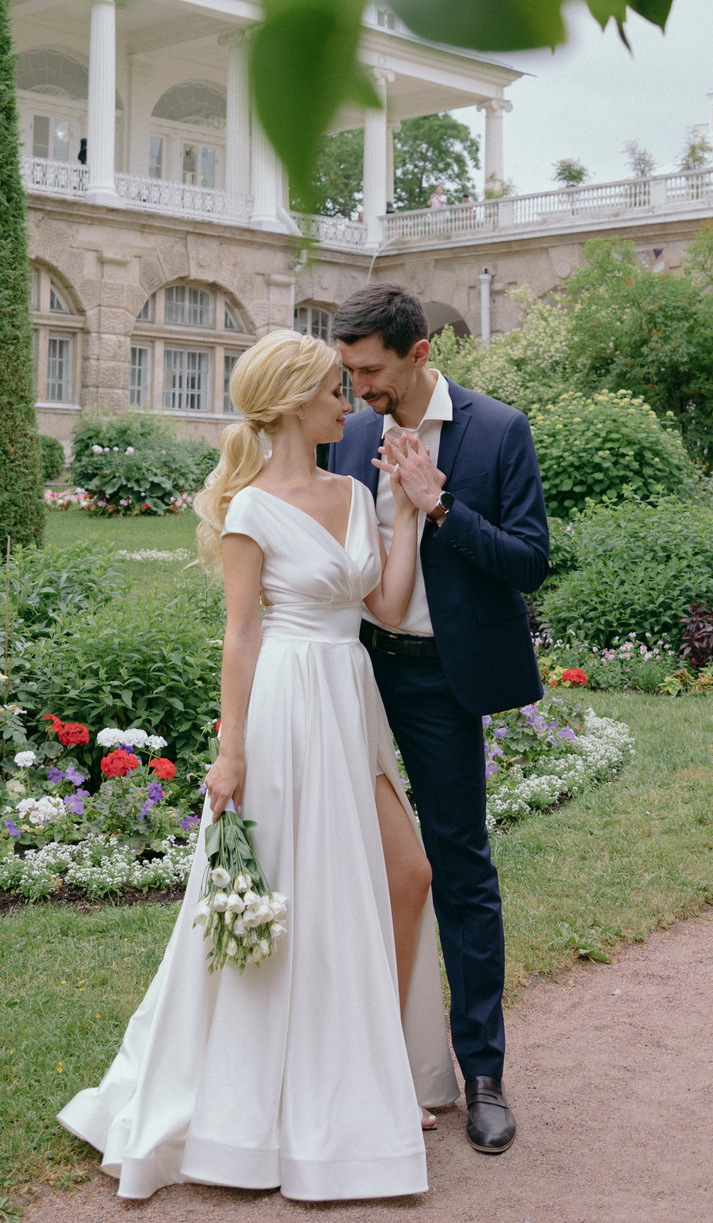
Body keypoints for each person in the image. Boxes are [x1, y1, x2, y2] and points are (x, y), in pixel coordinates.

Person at [59, 330, 461, 1200]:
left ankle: (373, 1065)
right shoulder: (247, 510)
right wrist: (228, 749)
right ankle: (279, 1099)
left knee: (407, 874)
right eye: (332, 391)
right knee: (282, 894)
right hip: (282, 706)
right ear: (289, 403)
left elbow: (386, 607)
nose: (347, 404)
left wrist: (409, 510)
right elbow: (240, 637)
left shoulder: (355, 492)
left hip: (349, 698)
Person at [328, 282, 550, 1155]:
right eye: (348, 371)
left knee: (460, 866)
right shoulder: (343, 433)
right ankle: (354, 1057)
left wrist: (442, 506)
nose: (358, 387)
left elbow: (530, 562)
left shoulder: (499, 431)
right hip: (350, 673)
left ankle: (483, 1073)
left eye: (370, 369)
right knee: (342, 860)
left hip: (440, 682)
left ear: (419, 353)